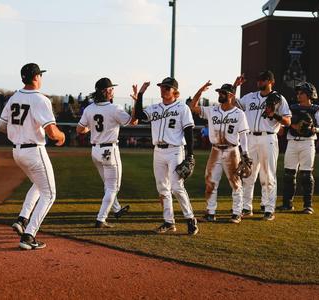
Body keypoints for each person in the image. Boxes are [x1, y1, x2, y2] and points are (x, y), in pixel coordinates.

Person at [0, 63, 65, 250]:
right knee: (50, 194)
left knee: (39, 184)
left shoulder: (13, 98)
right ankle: (29, 236)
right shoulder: (40, 99)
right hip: (34, 150)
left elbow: (1, 126)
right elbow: (52, 132)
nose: (41, 78)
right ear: (35, 77)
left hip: (17, 151)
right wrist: (62, 136)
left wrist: (18, 131)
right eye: (40, 75)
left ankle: (22, 219)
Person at [131, 78, 199, 235]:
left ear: (175, 91)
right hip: (158, 151)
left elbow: (189, 132)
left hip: (175, 150)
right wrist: (140, 94)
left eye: (167, 88)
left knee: (176, 186)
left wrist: (190, 155)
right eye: (162, 87)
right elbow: (140, 115)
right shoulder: (155, 108)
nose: (163, 90)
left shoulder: (183, 108)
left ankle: (190, 219)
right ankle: (169, 222)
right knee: (162, 187)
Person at [234, 71, 291, 221]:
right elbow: (234, 104)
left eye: (262, 80)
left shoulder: (279, 98)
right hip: (250, 137)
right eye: (258, 79)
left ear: (270, 81)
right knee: (248, 174)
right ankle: (246, 208)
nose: (259, 82)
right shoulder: (250, 96)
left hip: (268, 137)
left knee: (268, 175)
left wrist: (275, 115)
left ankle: (268, 208)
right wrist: (235, 86)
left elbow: (288, 121)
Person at [190, 82, 250, 223]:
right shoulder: (212, 110)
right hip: (215, 150)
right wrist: (200, 91)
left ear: (231, 95)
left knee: (235, 183)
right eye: (219, 92)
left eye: (223, 93)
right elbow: (193, 107)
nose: (220, 95)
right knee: (210, 182)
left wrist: (245, 153)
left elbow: (243, 136)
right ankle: (210, 212)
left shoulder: (239, 113)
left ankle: (237, 213)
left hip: (232, 151)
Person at [76, 78, 133, 228]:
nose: (113, 91)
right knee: (113, 187)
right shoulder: (115, 108)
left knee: (108, 185)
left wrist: (91, 128)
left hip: (95, 150)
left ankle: (116, 209)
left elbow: (79, 130)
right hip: (109, 150)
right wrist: (136, 101)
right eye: (111, 89)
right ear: (105, 91)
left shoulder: (89, 109)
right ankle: (101, 219)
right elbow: (133, 121)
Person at [278, 82, 319, 214]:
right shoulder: (291, 108)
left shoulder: (317, 109)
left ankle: (307, 205)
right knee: (289, 174)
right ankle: (287, 204)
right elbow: (285, 123)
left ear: (310, 95)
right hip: (292, 142)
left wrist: (313, 129)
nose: (298, 95)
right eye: (298, 93)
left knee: (306, 175)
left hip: (308, 143)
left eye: (302, 93)